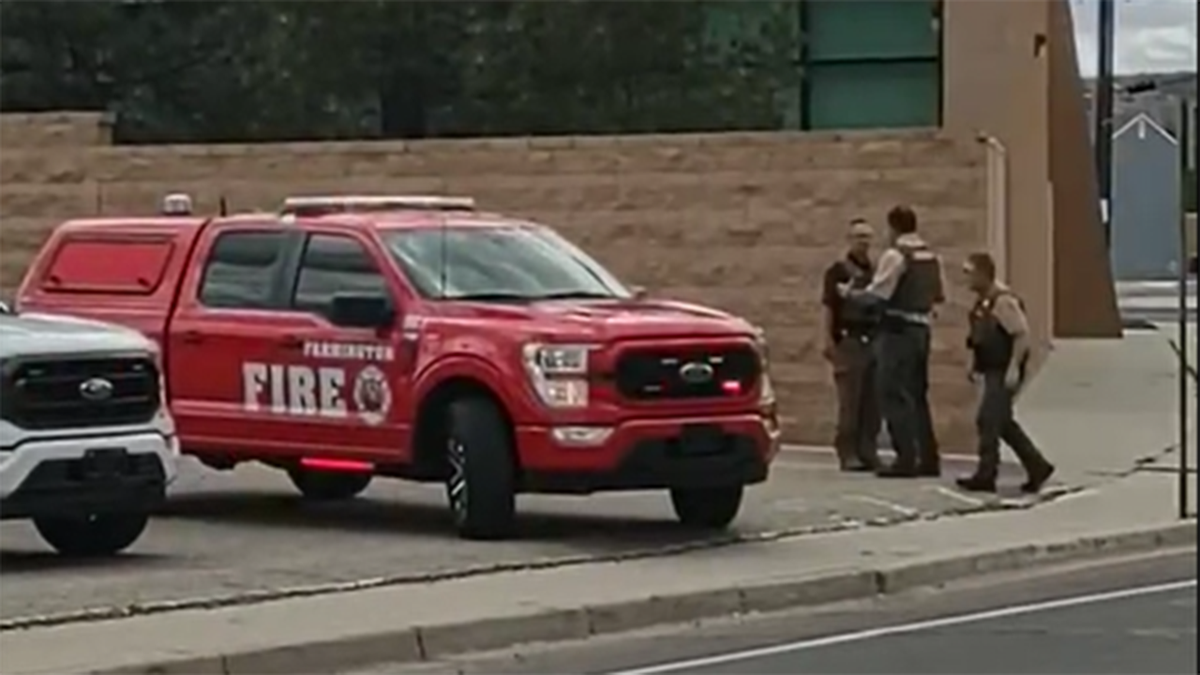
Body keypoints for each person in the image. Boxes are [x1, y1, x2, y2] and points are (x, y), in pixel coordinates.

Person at [840, 206, 944, 478]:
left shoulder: (896, 255)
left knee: (892, 392)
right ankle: (929, 457)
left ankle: (905, 458)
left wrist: (851, 294)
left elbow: (879, 294)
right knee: (918, 395)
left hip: (897, 331)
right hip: (923, 329)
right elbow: (938, 295)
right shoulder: (930, 256)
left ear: (893, 227)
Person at [957, 252, 1056, 493]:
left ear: (983, 274)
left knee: (989, 420)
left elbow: (1021, 334)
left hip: (1003, 369)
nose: (966, 278)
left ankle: (986, 474)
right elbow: (979, 338)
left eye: (969, 273)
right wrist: (973, 364)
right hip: (991, 368)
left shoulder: (1002, 302)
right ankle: (1037, 466)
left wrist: (1013, 367)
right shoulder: (983, 302)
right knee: (1002, 422)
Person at [821, 219, 882, 472]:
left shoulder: (878, 272)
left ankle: (869, 450)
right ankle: (847, 452)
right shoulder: (837, 272)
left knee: (872, 401)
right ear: (849, 239)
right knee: (850, 401)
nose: (863, 241)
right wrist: (827, 339)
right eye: (858, 236)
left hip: (874, 340)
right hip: (849, 340)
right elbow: (828, 306)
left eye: (867, 236)